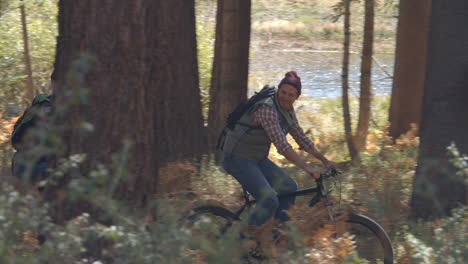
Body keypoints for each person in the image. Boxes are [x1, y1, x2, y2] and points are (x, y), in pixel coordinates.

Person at [222, 71, 334, 232]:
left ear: (296, 97)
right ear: (278, 90)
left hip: (256, 158)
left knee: (289, 188)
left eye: (291, 95)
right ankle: (241, 245)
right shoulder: (267, 109)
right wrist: (306, 167)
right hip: (237, 158)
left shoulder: (287, 109)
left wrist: (325, 160)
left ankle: (275, 236)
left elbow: (301, 137)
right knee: (269, 201)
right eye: (283, 92)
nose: (286, 97)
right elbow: (282, 147)